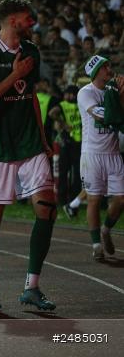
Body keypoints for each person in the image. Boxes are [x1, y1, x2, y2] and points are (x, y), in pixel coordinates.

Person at [0, 0, 57, 313]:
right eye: (26, 17)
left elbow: (32, 96)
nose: (31, 20)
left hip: (31, 145)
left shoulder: (32, 50)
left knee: (47, 209)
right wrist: (14, 73)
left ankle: (32, 286)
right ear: (10, 19)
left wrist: (44, 138)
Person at [76, 55, 123, 260]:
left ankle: (106, 229)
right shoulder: (85, 93)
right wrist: (118, 99)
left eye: (109, 66)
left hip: (113, 153)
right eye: (105, 67)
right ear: (96, 72)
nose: (109, 70)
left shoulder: (114, 89)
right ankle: (96, 244)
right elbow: (102, 115)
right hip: (92, 155)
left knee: (121, 199)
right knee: (94, 200)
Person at [49, 86, 82, 209]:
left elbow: (52, 113)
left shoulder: (66, 105)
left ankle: (67, 200)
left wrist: (62, 124)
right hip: (72, 142)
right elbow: (52, 113)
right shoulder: (69, 105)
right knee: (71, 173)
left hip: (73, 143)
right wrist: (63, 124)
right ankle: (68, 200)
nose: (67, 96)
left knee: (72, 173)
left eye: (69, 94)